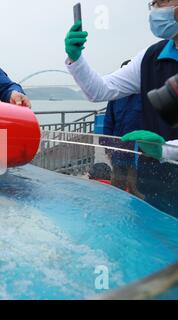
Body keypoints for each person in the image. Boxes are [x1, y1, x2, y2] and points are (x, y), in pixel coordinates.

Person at [64, 1, 178, 215]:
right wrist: (76, 60)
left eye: (164, 1)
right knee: (148, 234)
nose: (157, 8)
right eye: (155, 3)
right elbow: (100, 90)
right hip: (152, 177)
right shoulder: (151, 57)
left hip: (163, 162)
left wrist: (165, 149)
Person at [102, 60, 144, 197]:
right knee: (117, 184)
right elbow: (108, 121)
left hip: (138, 151)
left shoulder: (145, 95)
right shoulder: (115, 96)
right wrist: (107, 146)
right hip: (117, 149)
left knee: (135, 186)